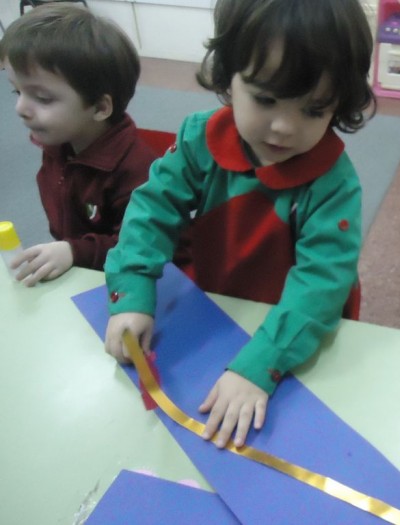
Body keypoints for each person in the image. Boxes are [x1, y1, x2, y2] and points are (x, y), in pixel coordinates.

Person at [103, 0, 374, 448]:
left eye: (313, 110)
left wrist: (261, 366)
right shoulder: (200, 138)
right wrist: (130, 292)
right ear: (229, 76)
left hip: (291, 332)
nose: (284, 127)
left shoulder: (334, 183)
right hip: (213, 307)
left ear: (339, 104)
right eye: (265, 99)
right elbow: (152, 210)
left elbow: (320, 285)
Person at [0, 5, 156, 286]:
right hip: (82, 270)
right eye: (17, 91)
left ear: (100, 108)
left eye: (42, 98)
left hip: (129, 282)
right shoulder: (59, 143)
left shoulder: (137, 172)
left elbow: (144, 247)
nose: (20, 108)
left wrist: (75, 251)